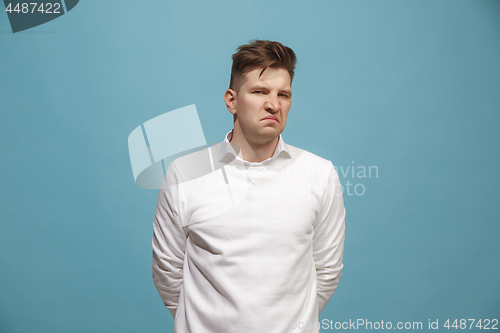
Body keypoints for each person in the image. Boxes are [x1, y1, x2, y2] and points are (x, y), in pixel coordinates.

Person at [152, 39, 346, 333]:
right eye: (259, 92)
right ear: (232, 100)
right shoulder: (185, 173)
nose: (273, 104)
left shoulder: (320, 173)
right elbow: (167, 271)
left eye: (284, 94)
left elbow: (328, 271)